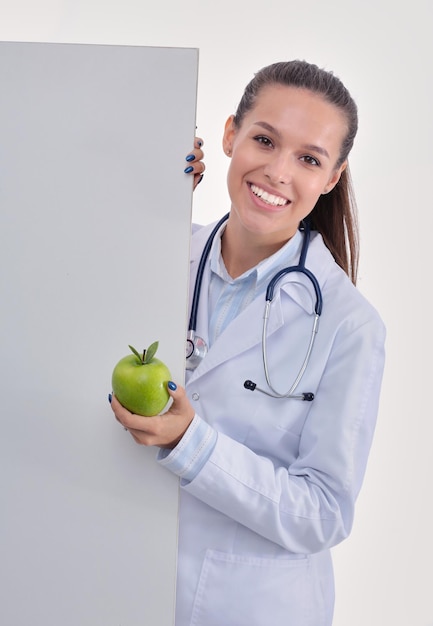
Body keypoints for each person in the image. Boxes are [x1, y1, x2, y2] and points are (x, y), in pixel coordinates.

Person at [110, 60, 386, 626]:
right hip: (115, 581)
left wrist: (193, 443)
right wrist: (145, 201)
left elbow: (324, 514)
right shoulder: (150, 257)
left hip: (253, 609)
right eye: (264, 140)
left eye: (309, 158)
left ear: (331, 177)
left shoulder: (349, 324)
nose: (278, 171)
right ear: (230, 134)